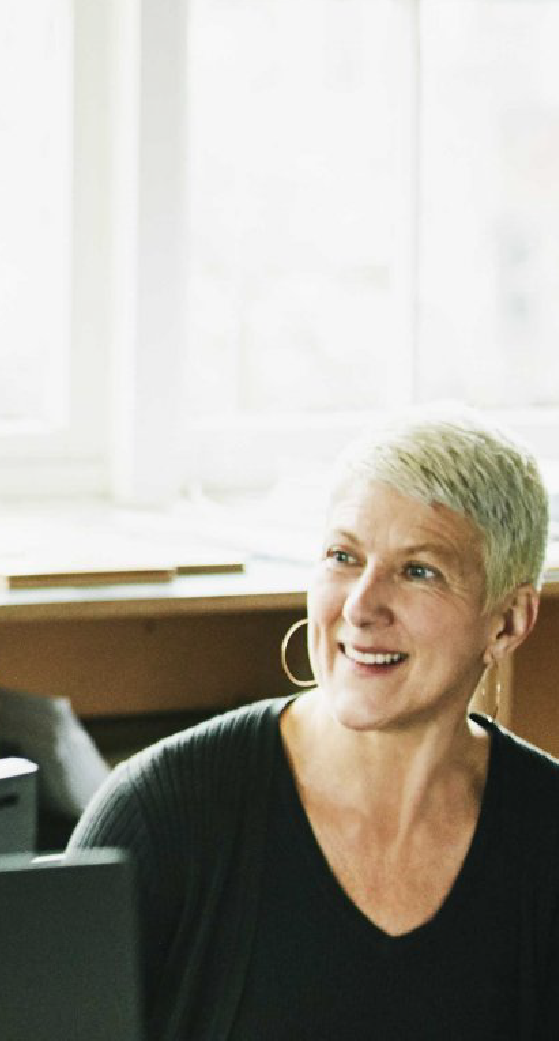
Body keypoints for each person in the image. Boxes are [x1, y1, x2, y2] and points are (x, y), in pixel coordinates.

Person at [70, 411, 558, 1038]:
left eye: (419, 571)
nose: (361, 606)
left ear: (510, 621)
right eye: (343, 557)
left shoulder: (546, 839)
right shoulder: (162, 817)